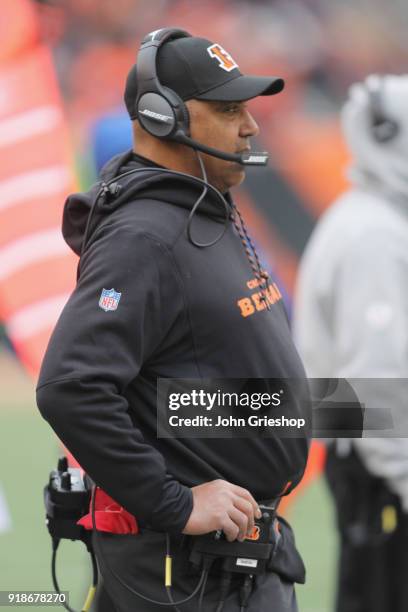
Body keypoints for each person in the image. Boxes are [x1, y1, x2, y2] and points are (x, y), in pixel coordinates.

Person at [37, 28, 309, 612]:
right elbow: (71, 386)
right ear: (163, 118)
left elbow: (192, 392)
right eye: (230, 109)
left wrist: (376, 410)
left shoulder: (200, 209)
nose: (251, 127)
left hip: (236, 561)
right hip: (185, 572)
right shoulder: (144, 237)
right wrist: (176, 504)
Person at [293, 74, 408, 612]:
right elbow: (375, 383)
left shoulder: (373, 220)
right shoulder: (374, 235)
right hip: (376, 461)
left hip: (368, 452)